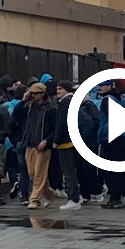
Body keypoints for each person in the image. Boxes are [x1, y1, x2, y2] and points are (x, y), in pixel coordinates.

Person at [97, 80, 125, 209]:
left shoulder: (107, 100)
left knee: (111, 171)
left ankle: (115, 199)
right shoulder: (124, 98)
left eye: (103, 85)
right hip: (124, 137)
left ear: (110, 86)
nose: (99, 87)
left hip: (111, 138)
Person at [22, 83, 57, 209]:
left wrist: (47, 141)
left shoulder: (51, 108)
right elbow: (17, 115)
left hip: (42, 145)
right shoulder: (29, 106)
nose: (33, 95)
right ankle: (49, 193)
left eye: (36, 93)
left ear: (43, 93)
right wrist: (23, 100)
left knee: (39, 173)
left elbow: (55, 128)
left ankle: (35, 198)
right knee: (33, 172)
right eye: (32, 93)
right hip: (30, 143)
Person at [53, 80, 82, 210]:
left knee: (68, 171)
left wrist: (56, 140)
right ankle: (76, 196)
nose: (58, 91)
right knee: (73, 170)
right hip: (73, 140)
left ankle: (73, 198)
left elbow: (62, 123)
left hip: (65, 142)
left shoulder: (65, 102)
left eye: (60, 89)